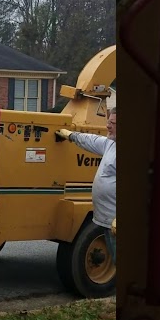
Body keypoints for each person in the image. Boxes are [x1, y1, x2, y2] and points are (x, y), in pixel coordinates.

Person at [57, 107, 117, 262]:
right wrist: (70, 135)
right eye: (108, 122)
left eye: (113, 123)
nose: (108, 126)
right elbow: (90, 140)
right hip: (106, 220)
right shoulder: (110, 144)